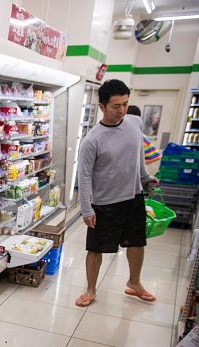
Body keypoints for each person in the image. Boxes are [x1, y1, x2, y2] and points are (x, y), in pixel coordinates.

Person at [75, 79, 159, 307]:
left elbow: (137, 155)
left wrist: (145, 178)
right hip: (104, 203)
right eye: (116, 106)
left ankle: (135, 283)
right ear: (102, 107)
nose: (122, 110)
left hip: (133, 198)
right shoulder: (92, 140)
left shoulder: (134, 123)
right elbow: (83, 176)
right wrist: (86, 208)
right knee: (95, 248)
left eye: (125, 104)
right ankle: (91, 290)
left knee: (137, 243)